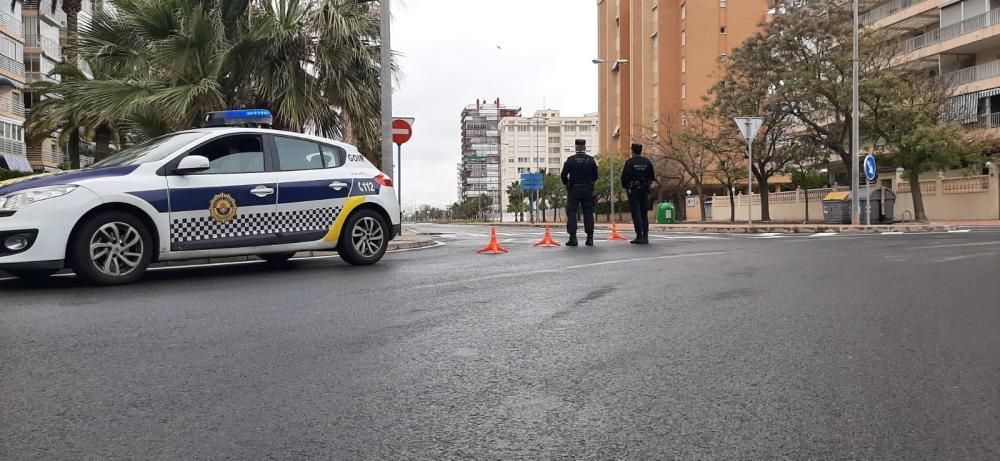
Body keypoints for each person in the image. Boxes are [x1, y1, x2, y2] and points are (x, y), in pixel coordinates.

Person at [560, 139, 598, 246]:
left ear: (576, 147)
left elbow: (563, 175)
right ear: (585, 148)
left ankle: (573, 238)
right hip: (587, 190)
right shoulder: (590, 160)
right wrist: (590, 184)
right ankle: (590, 238)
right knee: (588, 213)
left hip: (574, 190)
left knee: (571, 212)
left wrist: (567, 184)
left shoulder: (571, 160)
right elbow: (595, 176)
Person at [621, 142, 655, 244]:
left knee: (636, 213)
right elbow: (652, 177)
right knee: (644, 213)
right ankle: (645, 236)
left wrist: (627, 187)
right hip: (644, 190)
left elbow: (624, 178)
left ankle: (639, 236)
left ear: (632, 151)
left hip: (633, 190)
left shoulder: (629, 162)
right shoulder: (647, 162)